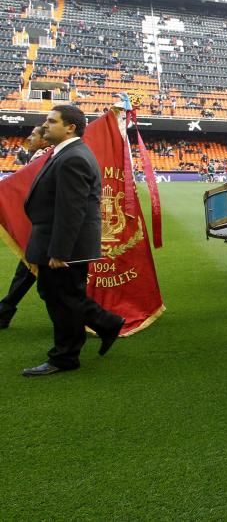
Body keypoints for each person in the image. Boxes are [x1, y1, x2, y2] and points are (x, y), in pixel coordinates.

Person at [21, 106, 125, 376]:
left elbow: (71, 209)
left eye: (51, 121)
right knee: (60, 295)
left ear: (70, 127)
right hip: (56, 240)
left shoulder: (72, 157)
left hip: (65, 246)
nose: (45, 125)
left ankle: (65, 357)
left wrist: (60, 251)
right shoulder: (66, 154)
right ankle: (106, 324)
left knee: (63, 299)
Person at [0, 126, 51, 329]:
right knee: (30, 270)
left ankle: (99, 319)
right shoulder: (39, 155)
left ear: (45, 140)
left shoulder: (44, 156)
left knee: (46, 281)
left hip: (45, 226)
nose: (29, 137)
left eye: (34, 135)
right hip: (40, 226)